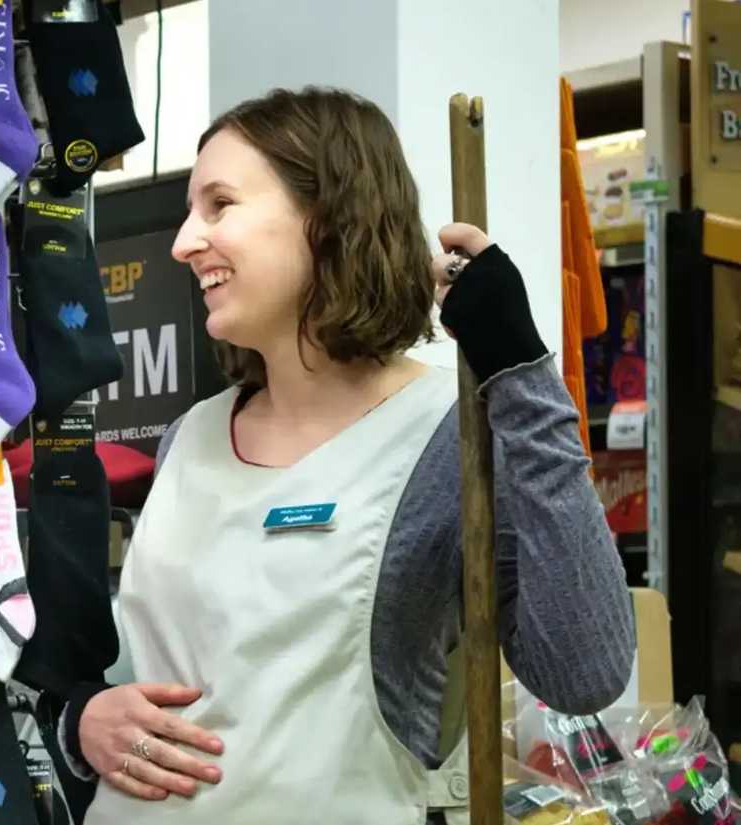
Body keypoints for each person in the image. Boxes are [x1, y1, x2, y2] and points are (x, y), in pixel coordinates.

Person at [58, 87, 637, 823]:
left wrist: (518, 371)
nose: (182, 242)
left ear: (327, 219)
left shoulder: (444, 438)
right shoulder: (189, 437)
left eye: (219, 205)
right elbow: (153, 671)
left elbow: (584, 671)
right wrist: (86, 718)